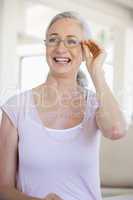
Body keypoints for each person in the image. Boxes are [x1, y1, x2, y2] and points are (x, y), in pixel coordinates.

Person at [0, 11, 127, 200]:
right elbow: (3, 188)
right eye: (53, 39)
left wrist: (96, 72)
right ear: (45, 46)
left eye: (71, 41)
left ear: (86, 50)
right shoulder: (15, 108)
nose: (60, 48)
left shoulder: (95, 104)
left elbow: (116, 130)